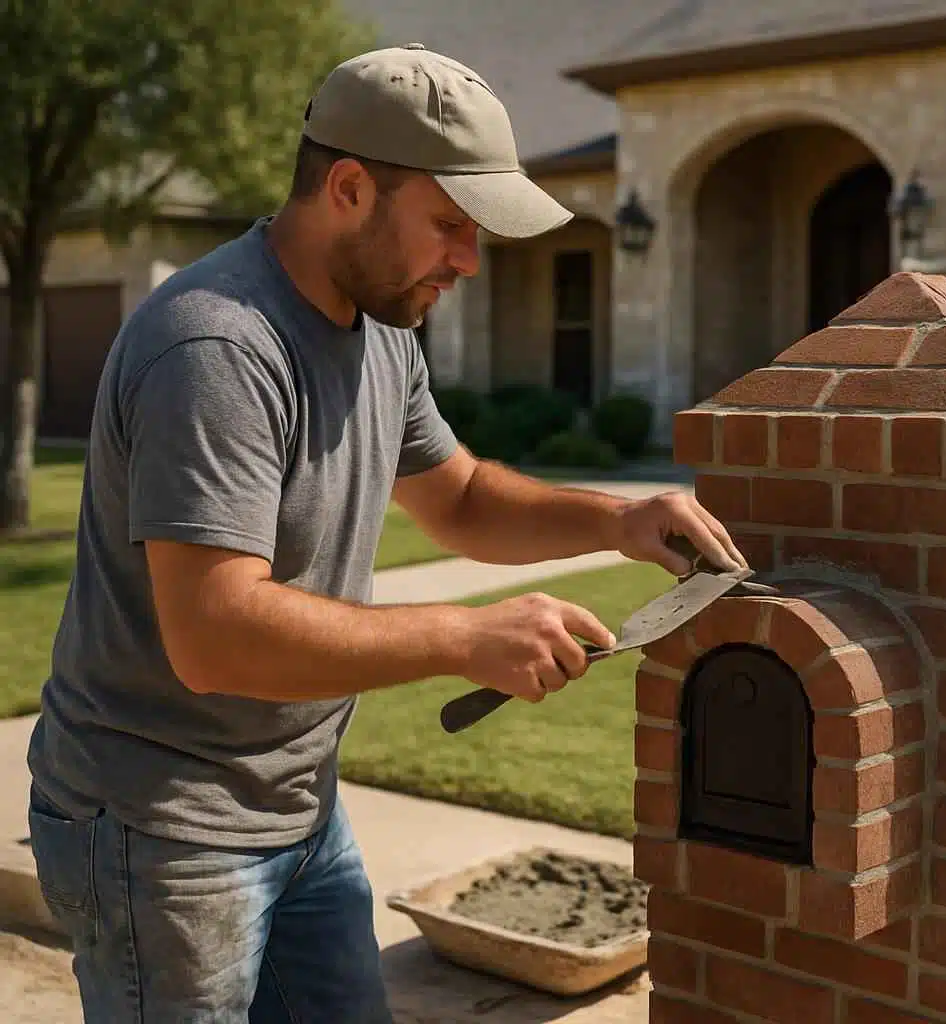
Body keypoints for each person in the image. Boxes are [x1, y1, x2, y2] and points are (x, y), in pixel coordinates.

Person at [24, 43, 746, 1023]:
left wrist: (621, 517)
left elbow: (458, 500)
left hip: (299, 806)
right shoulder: (215, 347)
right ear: (351, 188)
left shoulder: (383, 335)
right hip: (161, 828)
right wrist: (464, 635)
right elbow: (213, 632)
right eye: (450, 224)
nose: (468, 259)